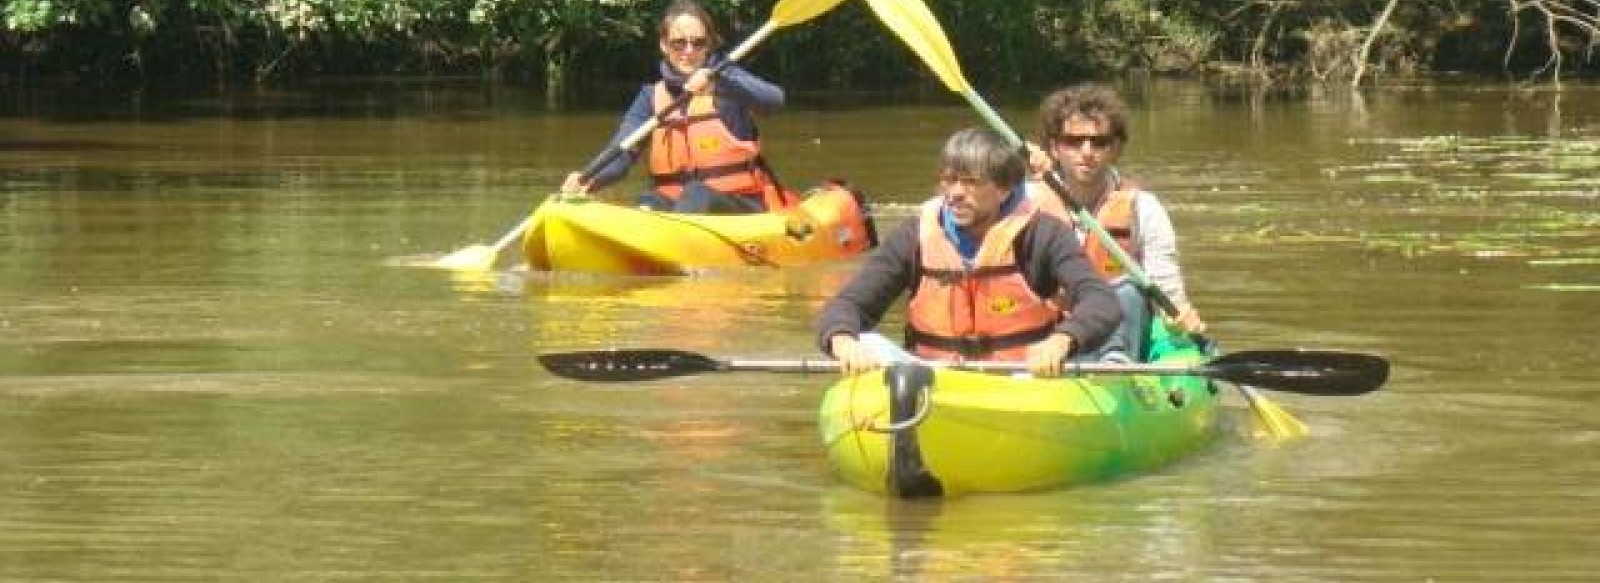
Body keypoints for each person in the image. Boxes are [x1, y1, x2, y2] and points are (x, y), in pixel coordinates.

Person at [815, 127, 1124, 378]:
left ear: (1004, 190)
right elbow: (849, 304)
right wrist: (842, 339)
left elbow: (1101, 299)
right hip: (935, 378)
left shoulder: (1041, 234)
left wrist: (1064, 339)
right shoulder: (915, 235)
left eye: (971, 183)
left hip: (1022, 380)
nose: (956, 193)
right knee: (865, 341)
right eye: (949, 181)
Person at [560, 0, 792, 214]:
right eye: (679, 43)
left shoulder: (727, 79)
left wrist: (720, 83)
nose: (688, 51)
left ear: (709, 44)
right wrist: (588, 179)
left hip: (739, 205)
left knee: (696, 193)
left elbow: (774, 100)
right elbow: (623, 151)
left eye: (698, 43)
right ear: (664, 45)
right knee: (647, 203)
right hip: (674, 208)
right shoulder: (650, 97)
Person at [1027, 83, 1205, 360]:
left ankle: (1114, 362)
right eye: (1073, 141)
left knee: (1127, 289)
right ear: (1054, 147)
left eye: (1099, 142)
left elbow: (1165, 288)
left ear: (1116, 148)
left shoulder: (1143, 208)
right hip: (1048, 334)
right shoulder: (1025, 203)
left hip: (1116, 333)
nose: (1086, 152)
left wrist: (1179, 315)